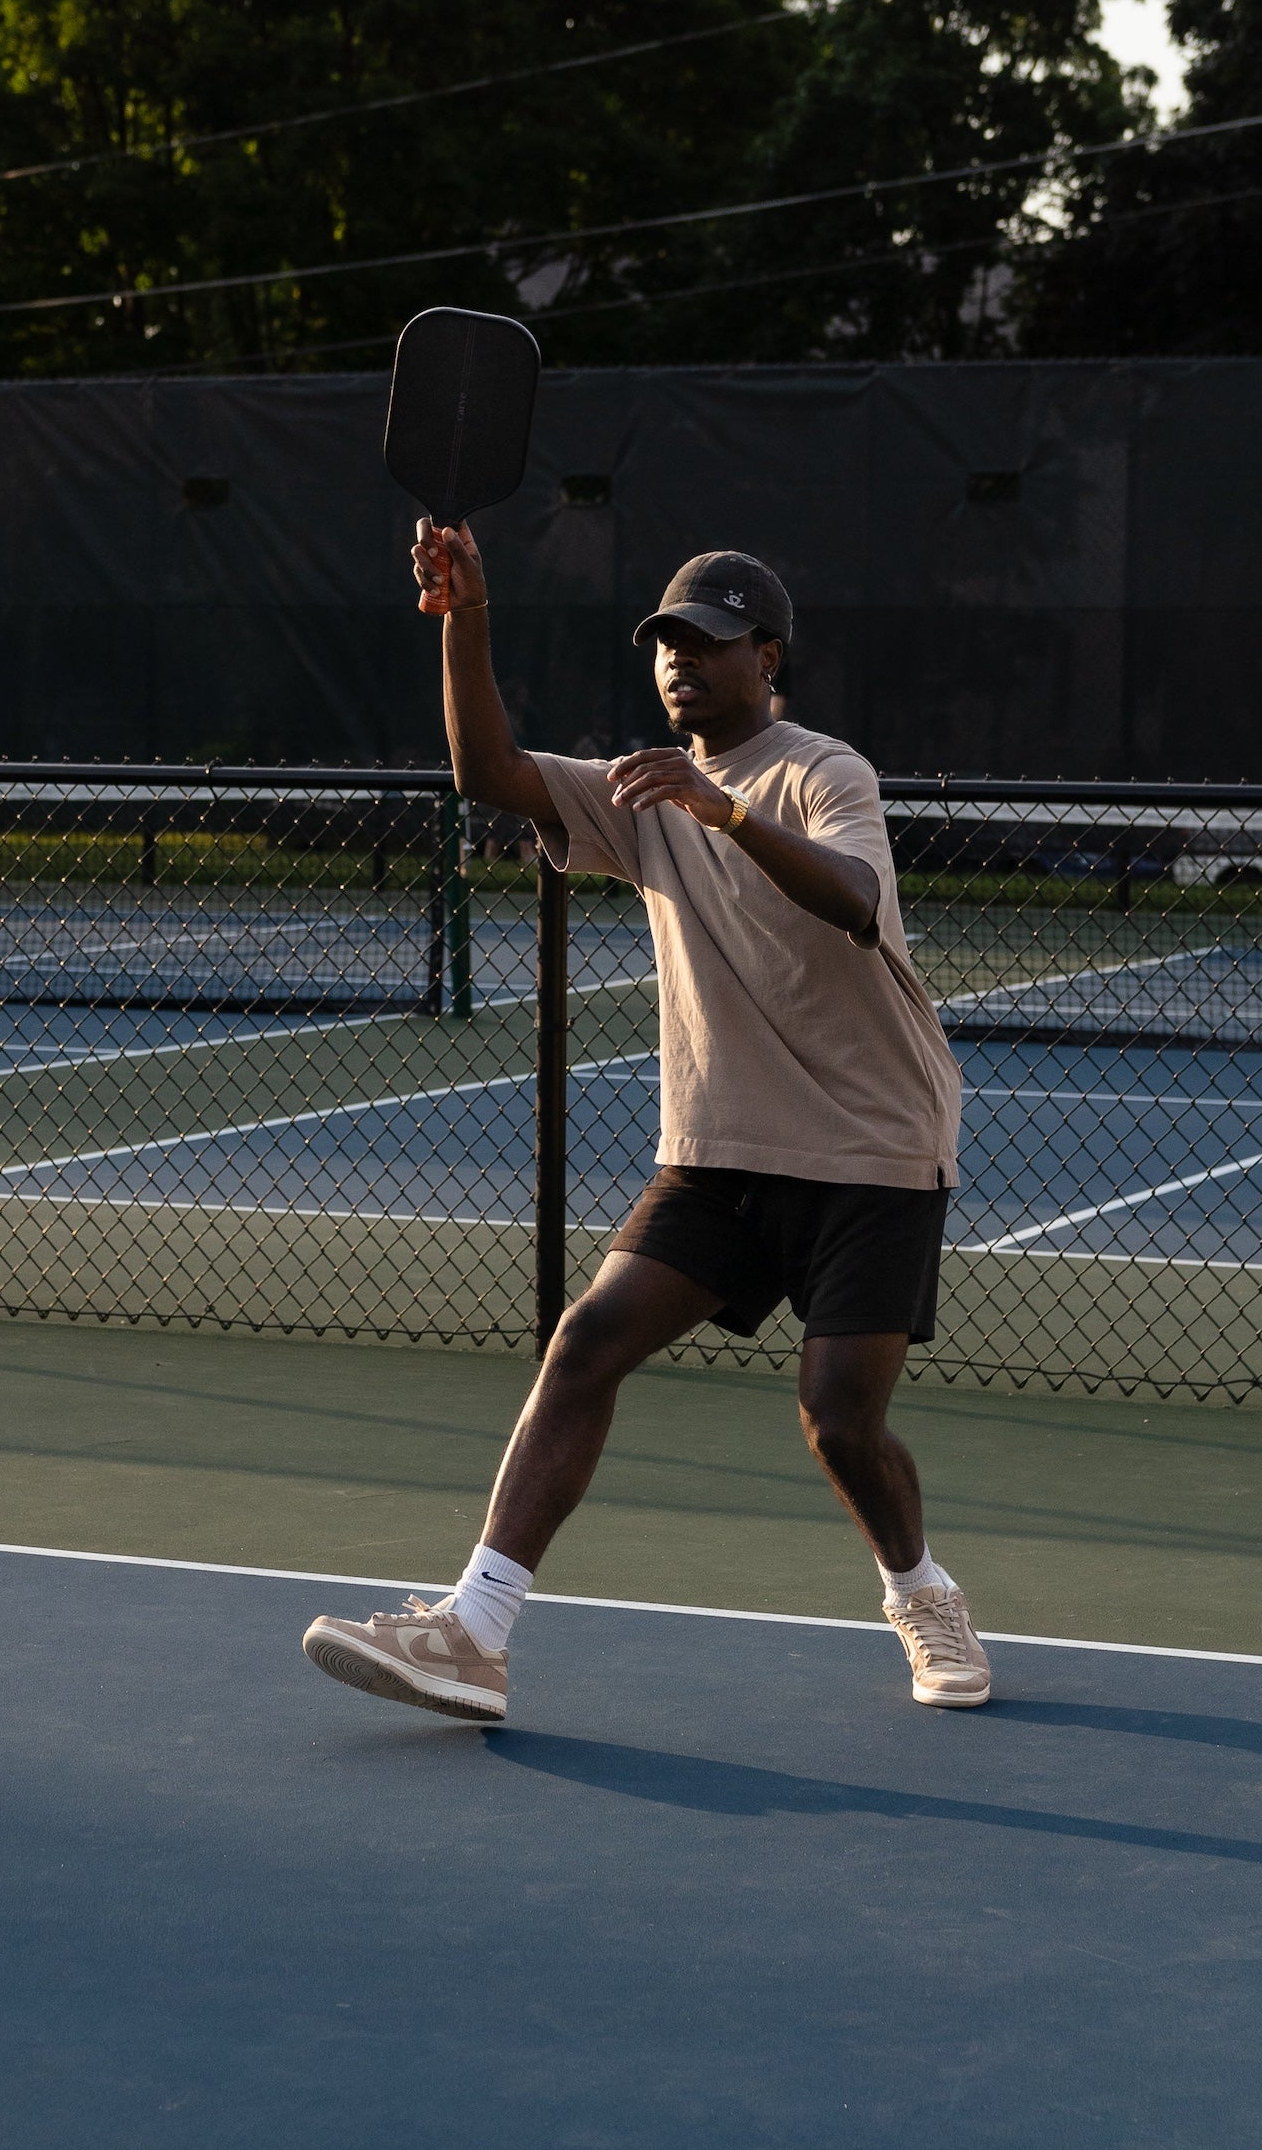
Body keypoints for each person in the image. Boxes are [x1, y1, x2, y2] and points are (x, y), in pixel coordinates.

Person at [304, 525, 989, 1722]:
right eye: (666, 644)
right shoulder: (635, 790)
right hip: (717, 1150)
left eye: (708, 644)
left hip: (873, 1145)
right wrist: (466, 614)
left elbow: (852, 897)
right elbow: (488, 773)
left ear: (764, 655)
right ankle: (472, 1629)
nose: (680, 664)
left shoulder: (825, 770)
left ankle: (919, 1589)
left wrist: (722, 813)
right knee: (585, 1341)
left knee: (837, 1419)